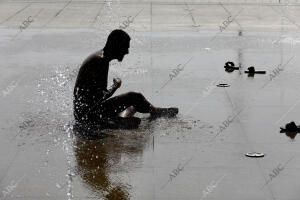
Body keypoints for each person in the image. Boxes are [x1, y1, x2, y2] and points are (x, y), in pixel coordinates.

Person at [73, 29, 178, 128]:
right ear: (116, 46)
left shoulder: (101, 58)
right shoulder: (100, 61)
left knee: (134, 103)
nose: (127, 52)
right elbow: (100, 97)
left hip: (86, 112)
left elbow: (96, 96)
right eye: (125, 47)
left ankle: (151, 112)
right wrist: (115, 86)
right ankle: (118, 120)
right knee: (134, 108)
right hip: (88, 116)